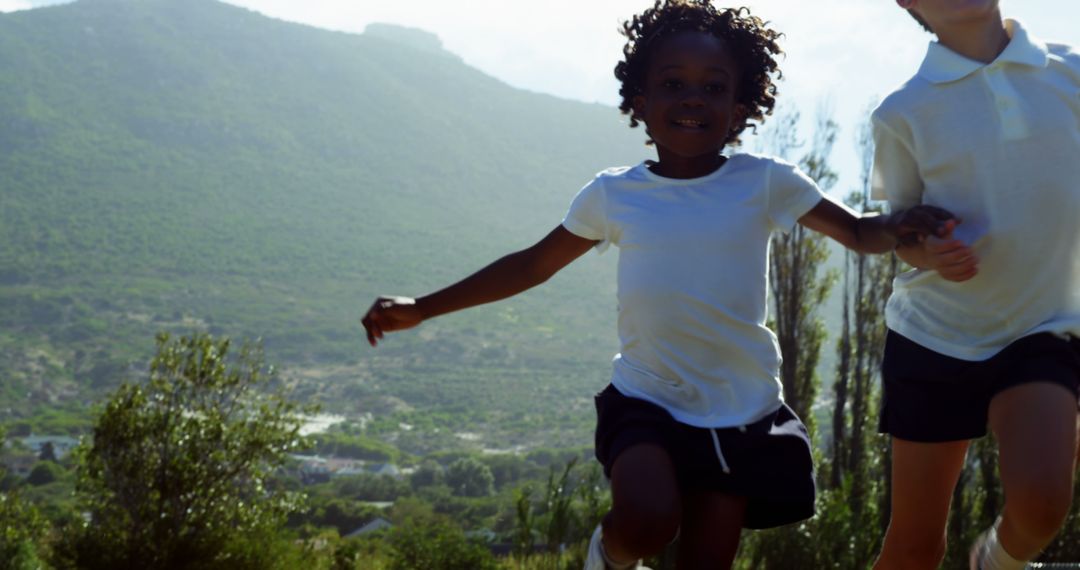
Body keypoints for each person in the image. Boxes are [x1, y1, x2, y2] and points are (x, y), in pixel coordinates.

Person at [362, 1, 955, 568]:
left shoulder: (767, 182)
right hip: (647, 399)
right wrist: (422, 307)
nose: (692, 98)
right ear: (640, 102)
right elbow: (530, 266)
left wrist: (902, 226)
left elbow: (856, 231)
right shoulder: (613, 194)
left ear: (741, 106)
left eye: (713, 86)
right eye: (673, 84)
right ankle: (610, 556)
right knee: (646, 522)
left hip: (739, 412)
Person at [869, 2, 1080, 569]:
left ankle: (994, 564)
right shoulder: (902, 112)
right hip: (935, 337)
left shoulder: (1072, 72)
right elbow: (902, 232)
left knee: (1042, 504)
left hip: (1043, 330)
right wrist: (928, 253)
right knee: (914, 545)